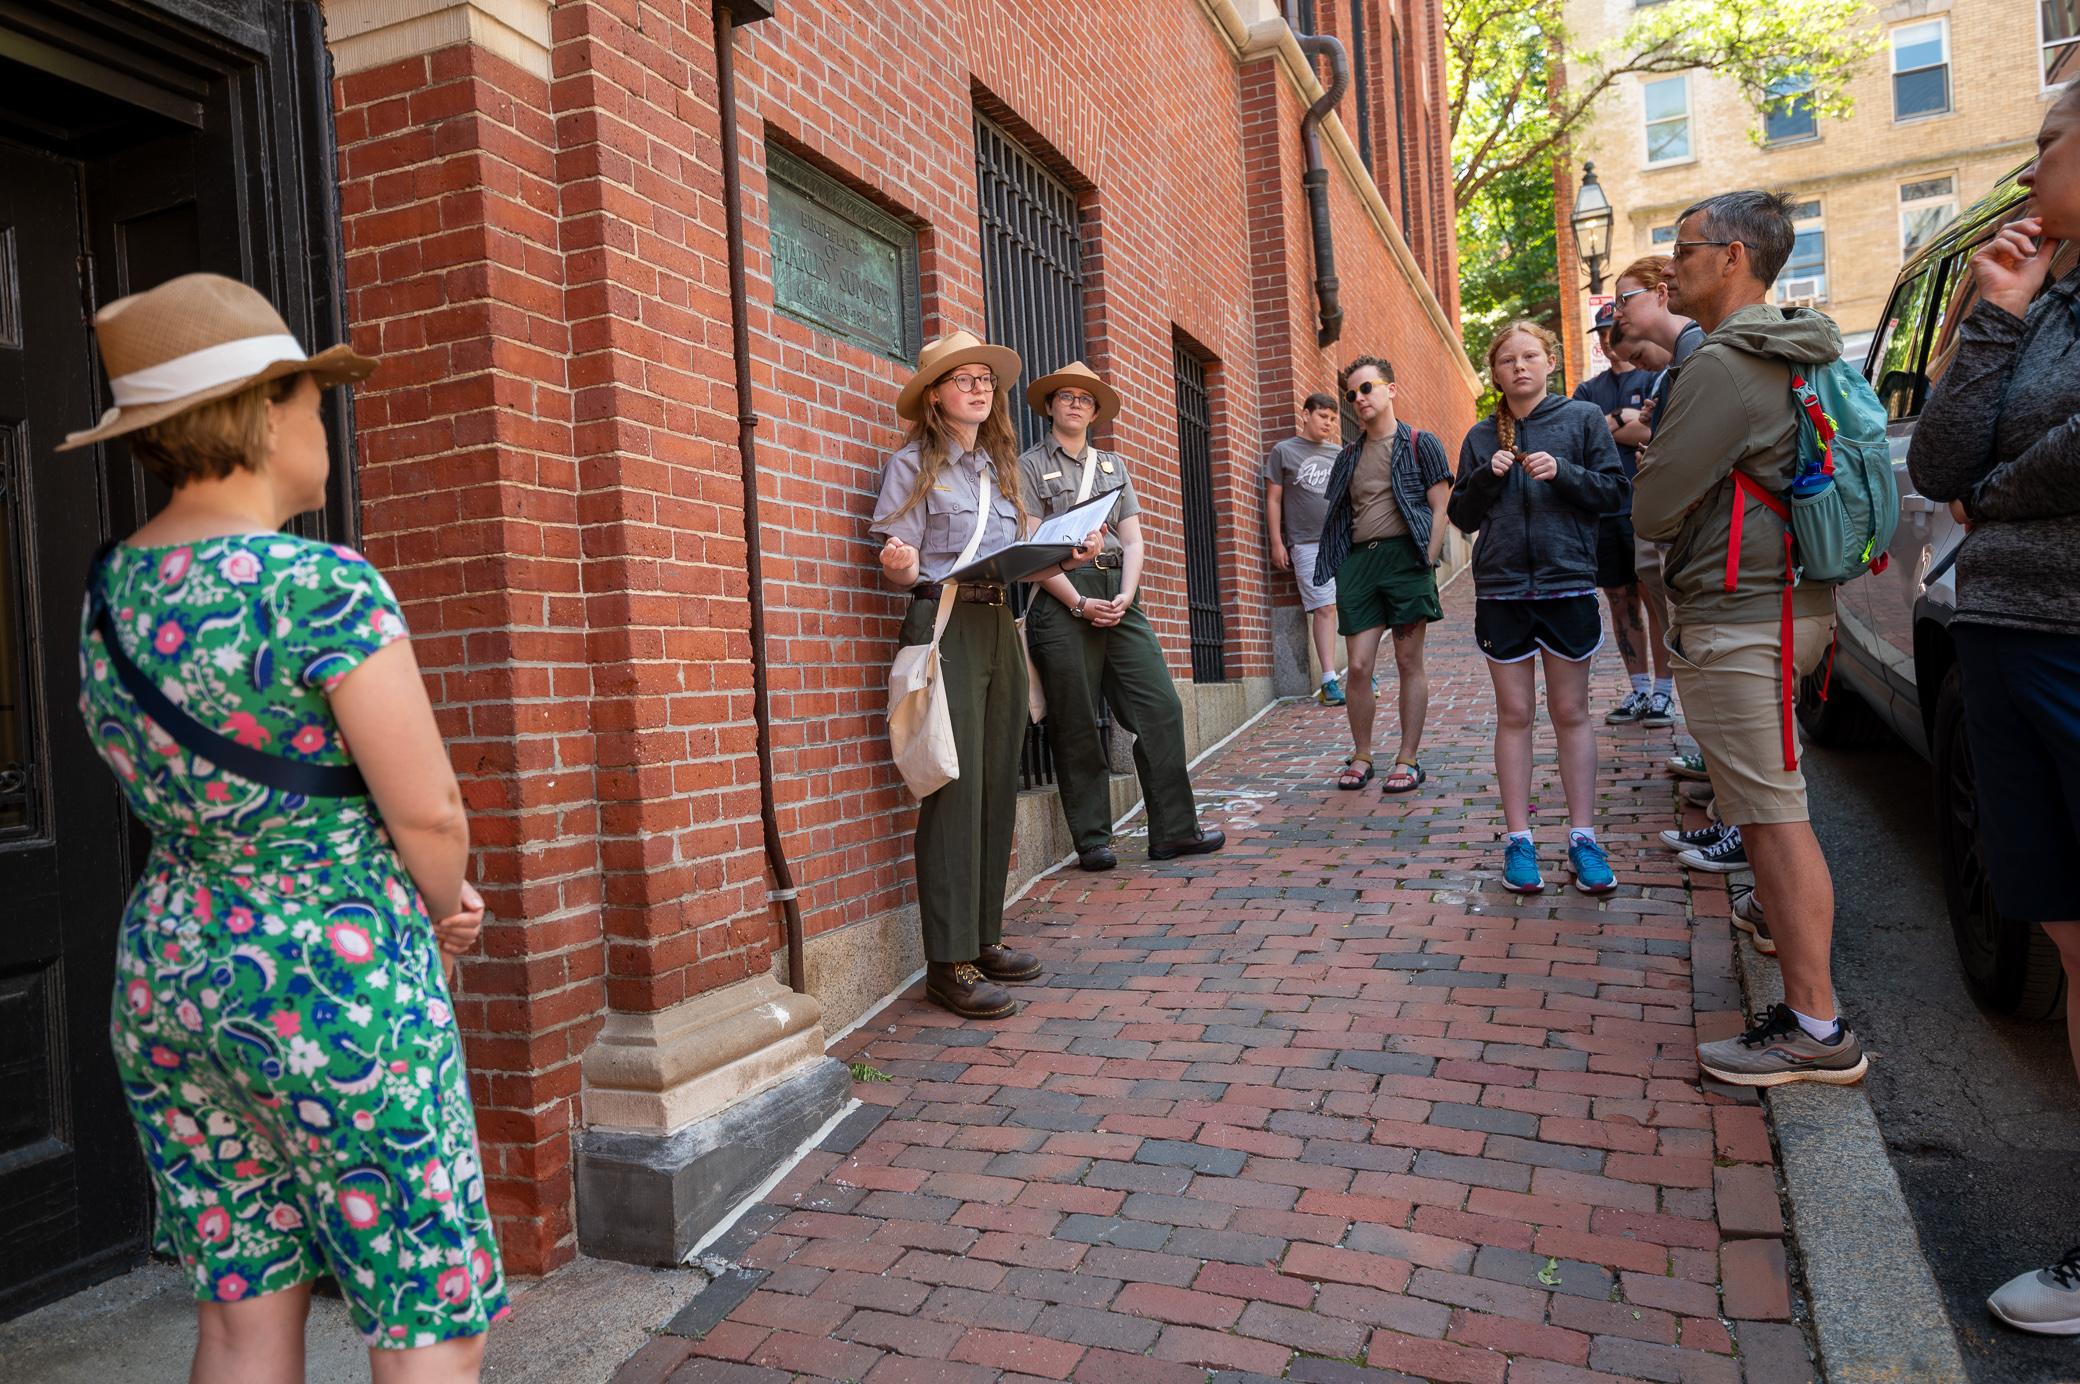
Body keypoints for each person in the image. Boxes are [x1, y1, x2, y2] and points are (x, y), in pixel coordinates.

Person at [63, 274, 504, 1381]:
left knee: (243, 1310)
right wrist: (447, 903)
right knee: (429, 1312)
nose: (324, 428)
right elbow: (427, 804)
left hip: (171, 969)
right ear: (265, 411)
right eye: (315, 402)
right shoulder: (320, 586)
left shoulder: (110, 593)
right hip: (329, 974)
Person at [1904, 84, 2080, 1335]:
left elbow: (2012, 478)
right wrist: (1994, 318)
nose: (2025, 174)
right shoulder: (2043, 297)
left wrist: (1993, 499)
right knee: (2071, 945)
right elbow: (1935, 464)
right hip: (2008, 637)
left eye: (2045, 145)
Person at [1631, 191, 1867, 1088]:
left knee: (1772, 816)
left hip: (1744, 619)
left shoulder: (1726, 367)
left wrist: (1661, 464)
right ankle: (1789, 949)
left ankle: (1816, 1026)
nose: (1671, 262)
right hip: (1791, 605)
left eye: (1682, 247)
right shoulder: (1794, 343)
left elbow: (1654, 506)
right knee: (1771, 806)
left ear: (1732, 256)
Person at [871, 332, 1104, 1018]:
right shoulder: (910, 465)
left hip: (1002, 624)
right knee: (952, 785)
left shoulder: (999, 468)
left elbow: (1022, 560)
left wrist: (1071, 552)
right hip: (945, 624)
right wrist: (899, 567)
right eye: (961, 379)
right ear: (935, 395)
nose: (977, 388)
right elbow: (904, 561)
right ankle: (947, 963)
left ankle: (983, 938)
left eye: (984, 380)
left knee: (996, 781)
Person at [1018, 360, 1223, 874]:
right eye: (1065, 396)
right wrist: (1079, 602)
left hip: (1118, 594)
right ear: (1049, 406)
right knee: (1077, 722)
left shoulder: (1113, 465)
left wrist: (1127, 594)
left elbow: (1131, 538)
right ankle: (1093, 840)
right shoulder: (1025, 466)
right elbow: (1033, 547)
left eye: (1085, 399)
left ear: (1094, 410)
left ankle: (1174, 832)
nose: (1075, 404)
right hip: (1064, 597)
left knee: (1160, 707)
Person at [1447, 321, 1628, 895]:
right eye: (1508, 360)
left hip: (1568, 583)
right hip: (1501, 591)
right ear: (1495, 373)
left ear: (1550, 363)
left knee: (1571, 712)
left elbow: (1616, 494)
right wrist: (1484, 477)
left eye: (1530, 356)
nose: (1520, 367)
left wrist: (1565, 472)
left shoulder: (1581, 421)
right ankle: (1519, 840)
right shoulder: (1481, 435)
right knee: (1515, 715)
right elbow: (1461, 515)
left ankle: (1583, 837)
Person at [1618, 255, 1745, 873]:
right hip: (1704, 560)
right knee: (1723, 716)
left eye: (1625, 299)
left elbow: (1687, 473)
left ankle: (1740, 832)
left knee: (1746, 733)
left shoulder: (1704, 356)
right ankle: (1728, 816)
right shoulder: (1691, 359)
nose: (1618, 313)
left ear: (1661, 294)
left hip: (1721, 565)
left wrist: (1655, 475)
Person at [1310, 355, 1453, 793]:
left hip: (1405, 560)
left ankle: (1407, 759)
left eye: (1366, 388)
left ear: (1390, 389)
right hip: (1359, 564)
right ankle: (1362, 754)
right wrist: (1335, 562)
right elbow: (1336, 513)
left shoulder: (1419, 442)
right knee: (1356, 666)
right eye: (1352, 393)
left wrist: (1427, 557)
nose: (1358, 399)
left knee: (1409, 660)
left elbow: (1441, 506)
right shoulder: (1348, 456)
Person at [1573, 312, 1667, 726]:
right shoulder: (1587, 389)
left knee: (1656, 600)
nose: (1612, 341)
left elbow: (1652, 433)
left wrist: (1607, 425)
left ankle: (1664, 693)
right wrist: (1621, 421)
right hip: (1604, 510)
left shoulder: (1652, 377)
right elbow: (1580, 443)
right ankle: (1639, 691)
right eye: (1605, 334)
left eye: (1618, 331)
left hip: (1647, 503)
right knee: (1620, 602)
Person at [1264, 392, 1347, 705]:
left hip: (1341, 541)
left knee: (1350, 606)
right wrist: (1277, 541)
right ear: (1306, 414)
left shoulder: (1338, 453)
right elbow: (1272, 499)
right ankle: (1328, 679)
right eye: (1323, 416)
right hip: (1307, 543)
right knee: (1324, 608)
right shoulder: (1284, 452)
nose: (1328, 423)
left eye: (1332, 419)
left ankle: (1360, 672)